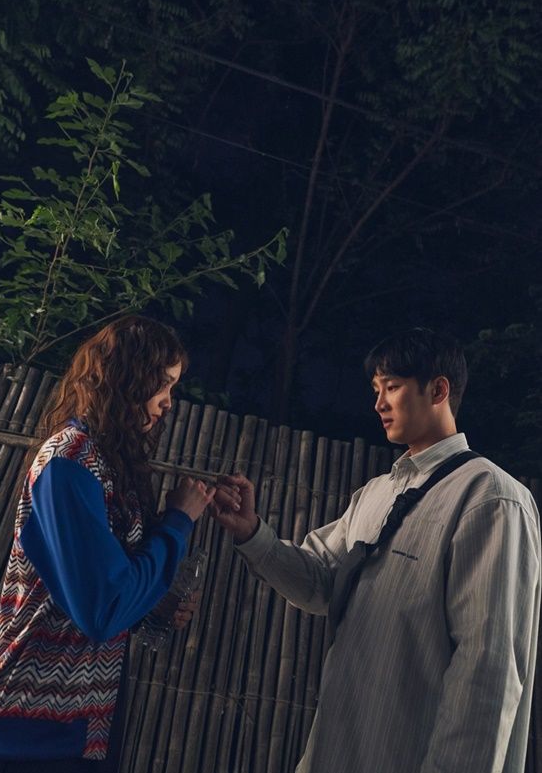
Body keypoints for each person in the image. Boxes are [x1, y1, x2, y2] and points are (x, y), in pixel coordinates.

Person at [213, 327, 541, 773]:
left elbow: (489, 665)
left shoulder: (489, 496)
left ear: (438, 390)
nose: (379, 404)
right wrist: (252, 532)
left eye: (392, 387)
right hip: (333, 751)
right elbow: (320, 582)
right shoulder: (376, 493)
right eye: (376, 390)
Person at [0, 315, 230, 772]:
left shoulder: (106, 465)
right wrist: (178, 522)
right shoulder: (68, 462)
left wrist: (153, 605)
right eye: (163, 384)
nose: (168, 402)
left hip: (83, 728)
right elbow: (103, 609)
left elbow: (97, 593)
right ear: (128, 378)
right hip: (28, 736)